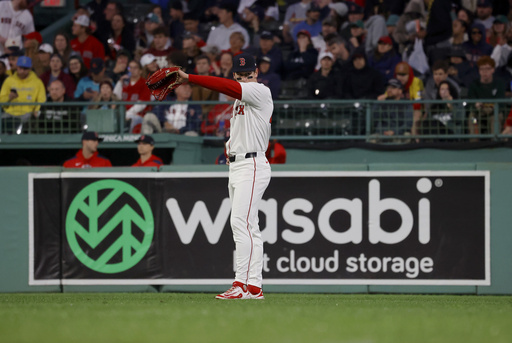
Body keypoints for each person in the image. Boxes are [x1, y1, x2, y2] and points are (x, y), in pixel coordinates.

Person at [177, 52, 272, 299]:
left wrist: (189, 78)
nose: (244, 80)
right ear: (235, 74)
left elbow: (225, 86)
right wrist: (230, 145)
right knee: (249, 226)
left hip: (252, 164)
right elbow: (242, 128)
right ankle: (254, 287)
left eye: (248, 75)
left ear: (256, 74)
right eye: (240, 76)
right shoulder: (239, 101)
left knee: (241, 223)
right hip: (239, 164)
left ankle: (241, 285)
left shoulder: (260, 91)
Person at [0, 56, 46, 134]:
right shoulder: (9, 80)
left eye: (25, 69)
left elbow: (41, 100)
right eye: (20, 68)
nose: (22, 71)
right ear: (17, 67)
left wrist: (36, 111)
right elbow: (1, 100)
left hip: (27, 113)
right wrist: (9, 98)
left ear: (30, 68)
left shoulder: (37, 82)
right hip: (9, 113)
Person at [468, 55, 506, 137]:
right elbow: (471, 101)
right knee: (472, 119)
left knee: (495, 118)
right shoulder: (473, 85)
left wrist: (488, 106)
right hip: (478, 113)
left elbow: (500, 102)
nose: (485, 72)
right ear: (479, 71)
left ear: (493, 70)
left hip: (493, 113)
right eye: (482, 69)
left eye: (487, 69)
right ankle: (474, 144)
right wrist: (477, 106)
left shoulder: (499, 84)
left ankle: (495, 144)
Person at [114, 59, 152, 133]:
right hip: (122, 114)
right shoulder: (124, 82)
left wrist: (127, 114)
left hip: (138, 115)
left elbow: (142, 104)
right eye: (130, 68)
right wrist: (119, 82)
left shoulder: (144, 84)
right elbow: (115, 96)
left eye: (135, 68)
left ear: (140, 71)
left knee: (130, 120)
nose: (132, 70)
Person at [371, 78, 412, 143]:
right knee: (371, 138)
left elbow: (408, 124)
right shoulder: (382, 103)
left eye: (393, 88)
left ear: (400, 91)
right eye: (388, 88)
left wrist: (394, 132)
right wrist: (377, 103)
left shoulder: (406, 104)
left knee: (407, 136)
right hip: (383, 133)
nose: (389, 90)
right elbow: (373, 120)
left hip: (399, 133)